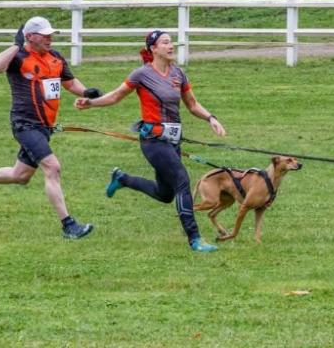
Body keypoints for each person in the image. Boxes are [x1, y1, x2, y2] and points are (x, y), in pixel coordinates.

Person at [75, 30, 226, 253]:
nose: (171, 45)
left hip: (173, 141)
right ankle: (195, 239)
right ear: (153, 49)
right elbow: (116, 95)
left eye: (171, 42)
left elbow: (192, 104)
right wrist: (91, 102)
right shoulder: (141, 74)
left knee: (165, 194)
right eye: (165, 42)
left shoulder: (178, 74)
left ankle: (122, 179)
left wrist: (210, 118)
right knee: (182, 180)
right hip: (153, 142)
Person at [0, 16, 99, 239]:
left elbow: (69, 82)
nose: (50, 38)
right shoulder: (18, 57)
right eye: (45, 35)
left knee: (20, 175)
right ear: (30, 36)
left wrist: (87, 93)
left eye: (51, 34)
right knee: (52, 167)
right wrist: (16, 44)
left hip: (45, 127)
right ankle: (69, 226)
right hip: (25, 124)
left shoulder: (55, 58)